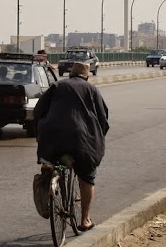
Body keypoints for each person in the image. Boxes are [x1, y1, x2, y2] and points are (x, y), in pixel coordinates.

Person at [35, 61, 110, 231]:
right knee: (87, 176)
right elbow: (103, 119)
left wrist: (40, 134)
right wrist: (98, 138)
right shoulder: (91, 89)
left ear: (70, 74)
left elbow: (39, 111)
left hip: (53, 138)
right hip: (81, 141)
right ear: (87, 75)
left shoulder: (56, 86)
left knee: (52, 159)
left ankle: (50, 169)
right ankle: (85, 220)